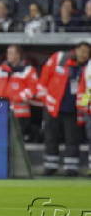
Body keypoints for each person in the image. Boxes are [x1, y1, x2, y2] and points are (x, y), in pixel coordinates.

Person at [37, 42, 90, 176]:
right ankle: (50, 166)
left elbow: (86, 89)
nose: (84, 54)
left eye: (87, 52)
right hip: (53, 105)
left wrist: (83, 106)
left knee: (72, 139)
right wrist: (44, 98)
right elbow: (44, 76)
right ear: (76, 50)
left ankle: (71, 168)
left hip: (74, 110)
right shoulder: (59, 57)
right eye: (82, 51)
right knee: (50, 137)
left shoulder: (88, 67)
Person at [0, 45, 38, 140]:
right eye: (8, 53)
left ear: (18, 55)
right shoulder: (1, 69)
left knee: (16, 141)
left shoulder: (28, 70)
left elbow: (32, 89)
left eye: (11, 53)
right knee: (1, 139)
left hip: (20, 114)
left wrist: (15, 97)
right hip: (1, 111)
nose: (8, 55)